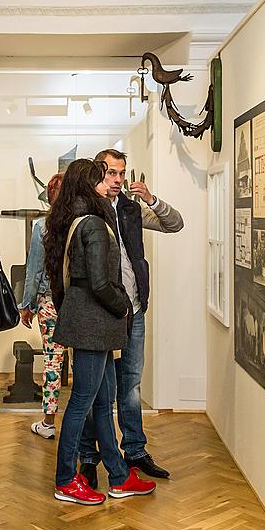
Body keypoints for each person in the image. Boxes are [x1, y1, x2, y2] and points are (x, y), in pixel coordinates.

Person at [44, 158, 155, 505]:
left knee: (104, 402)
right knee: (82, 403)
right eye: (102, 179)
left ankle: (119, 476)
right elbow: (99, 282)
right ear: (89, 185)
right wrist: (122, 304)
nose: (109, 184)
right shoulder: (91, 222)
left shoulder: (76, 218)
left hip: (93, 322)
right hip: (94, 322)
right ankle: (66, 479)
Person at [77, 149, 184, 485]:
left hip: (133, 309)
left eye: (122, 174)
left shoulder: (130, 208)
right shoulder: (85, 211)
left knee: (131, 385)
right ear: (98, 173)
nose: (118, 180)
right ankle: (90, 457)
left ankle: (135, 450)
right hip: (101, 313)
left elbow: (175, 224)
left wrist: (151, 199)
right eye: (111, 173)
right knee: (95, 389)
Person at [18, 173, 68, 439]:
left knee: (53, 361)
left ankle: (48, 422)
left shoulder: (42, 226)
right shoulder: (80, 223)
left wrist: (27, 304)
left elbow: (34, 269)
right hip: (75, 302)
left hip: (49, 301)